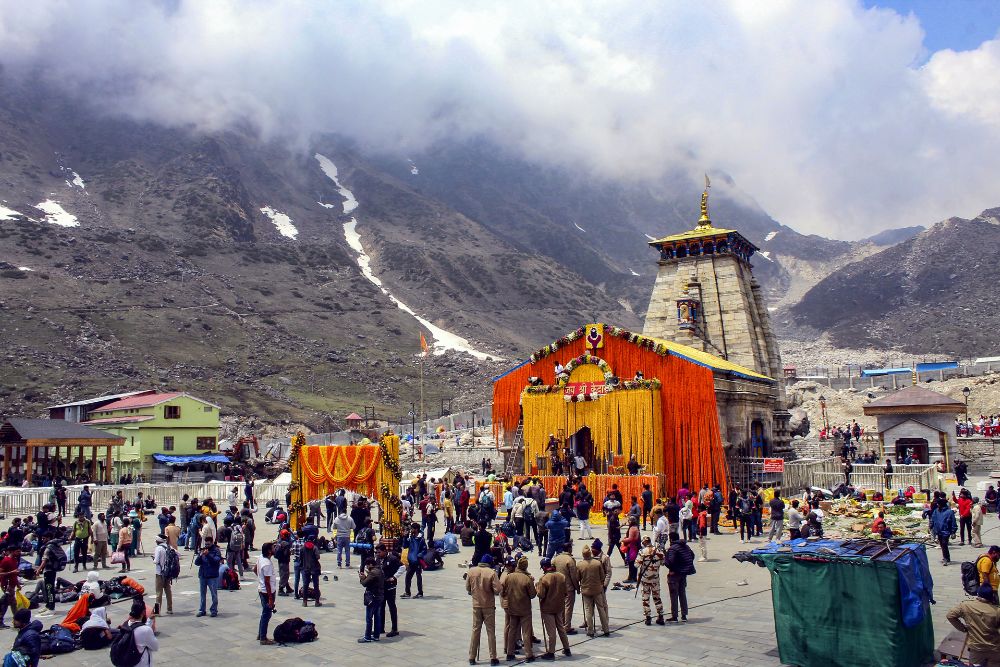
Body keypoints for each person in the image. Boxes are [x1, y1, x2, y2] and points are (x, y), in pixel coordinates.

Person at [947, 584, 1000, 666]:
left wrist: (963, 628)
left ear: (978, 594)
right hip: (994, 649)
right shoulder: (997, 611)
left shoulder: (965, 606)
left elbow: (950, 615)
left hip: (976, 649)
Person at [466, 552, 501, 664]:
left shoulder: (471, 571)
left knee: (475, 630)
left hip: (476, 605)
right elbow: (498, 590)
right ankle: (493, 657)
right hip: (488, 606)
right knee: (490, 631)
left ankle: (472, 657)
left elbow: (467, 588)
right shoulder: (491, 573)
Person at [500, 557, 536, 662]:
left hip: (512, 608)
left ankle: (510, 653)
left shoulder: (509, 577)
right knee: (525, 631)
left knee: (512, 630)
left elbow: (502, 591)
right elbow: (533, 595)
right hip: (524, 609)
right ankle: (528, 654)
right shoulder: (527, 579)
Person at [536, 557, 572, 659]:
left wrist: (537, 586)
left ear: (544, 567)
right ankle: (567, 648)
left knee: (551, 632)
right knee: (561, 628)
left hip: (548, 608)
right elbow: (566, 593)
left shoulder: (544, 578)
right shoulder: (562, 576)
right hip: (559, 606)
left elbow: (540, 595)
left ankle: (551, 652)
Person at [577, 545, 609, 637]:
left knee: (588, 610)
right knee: (601, 609)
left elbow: (577, 578)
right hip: (597, 590)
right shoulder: (597, 563)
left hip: (586, 590)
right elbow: (602, 576)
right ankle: (606, 629)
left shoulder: (580, 564)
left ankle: (590, 630)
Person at [665, 532, 695, 622]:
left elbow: (670, 562)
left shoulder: (673, 549)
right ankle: (684, 615)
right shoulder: (686, 546)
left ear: (671, 539)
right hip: (683, 574)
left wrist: (664, 558)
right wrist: (683, 566)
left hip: (675, 575)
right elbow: (692, 556)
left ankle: (674, 616)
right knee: (682, 593)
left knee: (674, 595)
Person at [634, 536, 665, 625]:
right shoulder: (659, 551)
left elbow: (636, 565)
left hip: (645, 579)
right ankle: (661, 616)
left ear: (644, 543)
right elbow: (663, 563)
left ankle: (648, 618)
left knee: (645, 598)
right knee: (657, 597)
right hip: (655, 579)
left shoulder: (642, 552)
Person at [552, 542, 579, 636]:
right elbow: (574, 576)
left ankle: (561, 624)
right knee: (568, 607)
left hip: (558, 586)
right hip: (569, 587)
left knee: (561, 607)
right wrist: (577, 587)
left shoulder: (556, 558)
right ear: (569, 549)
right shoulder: (570, 560)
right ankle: (567, 627)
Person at [120, 598, 158, 667]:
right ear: (143, 612)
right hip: (141, 663)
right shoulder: (146, 630)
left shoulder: (126, 624)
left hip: (128, 661)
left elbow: (139, 628)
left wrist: (150, 620)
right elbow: (155, 647)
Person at [195, 535, 223, 617]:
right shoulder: (203, 550)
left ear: (212, 543)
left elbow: (216, 561)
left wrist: (208, 555)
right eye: (206, 544)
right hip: (203, 575)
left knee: (214, 594)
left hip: (212, 576)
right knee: (202, 594)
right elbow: (197, 563)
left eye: (208, 544)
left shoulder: (216, 550)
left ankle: (214, 610)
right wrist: (200, 555)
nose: (207, 546)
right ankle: (202, 610)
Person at [35, 535, 65, 611]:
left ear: (49, 538)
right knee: (49, 588)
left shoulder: (48, 548)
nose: (43, 539)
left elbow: (44, 560)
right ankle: (48, 605)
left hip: (48, 571)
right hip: (52, 570)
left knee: (49, 589)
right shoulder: (54, 546)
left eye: (44, 538)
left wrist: (39, 570)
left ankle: (51, 607)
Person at [358, 557, 384, 643]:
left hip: (372, 598)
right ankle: (376, 636)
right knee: (377, 617)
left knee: (369, 618)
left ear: (370, 564)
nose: (366, 567)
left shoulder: (372, 573)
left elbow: (365, 583)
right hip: (379, 597)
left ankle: (367, 636)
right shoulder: (379, 570)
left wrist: (362, 578)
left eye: (367, 565)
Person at [255, 542, 276, 645]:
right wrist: (271, 598)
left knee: (264, 613)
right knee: (267, 614)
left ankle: (260, 634)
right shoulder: (267, 564)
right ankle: (263, 638)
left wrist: (260, 579)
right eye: (273, 548)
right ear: (269, 551)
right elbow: (267, 582)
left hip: (261, 589)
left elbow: (255, 569)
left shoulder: (260, 558)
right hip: (267, 592)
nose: (274, 549)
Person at [401, 523, 426, 598]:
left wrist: (419, 556)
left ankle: (420, 592)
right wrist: (405, 537)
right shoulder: (410, 537)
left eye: (412, 529)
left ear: (416, 529)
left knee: (418, 577)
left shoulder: (421, 539)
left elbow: (424, 550)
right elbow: (405, 546)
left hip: (417, 561)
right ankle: (407, 592)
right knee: (408, 576)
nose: (411, 530)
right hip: (411, 561)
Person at [930, 498, 958, 566]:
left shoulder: (949, 512)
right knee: (942, 545)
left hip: (946, 531)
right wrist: (931, 526)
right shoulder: (936, 511)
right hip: (938, 531)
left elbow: (953, 522)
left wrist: (953, 532)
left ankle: (945, 558)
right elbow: (933, 519)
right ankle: (946, 557)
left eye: (938, 504)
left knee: (944, 543)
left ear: (941, 504)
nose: (937, 505)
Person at [152, 536, 173, 615]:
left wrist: (153, 559)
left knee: (158, 593)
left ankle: (157, 612)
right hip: (168, 573)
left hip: (160, 573)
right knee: (168, 591)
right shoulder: (169, 547)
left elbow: (156, 561)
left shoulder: (158, 548)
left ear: (158, 541)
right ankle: (169, 608)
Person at [300, 538, 322, 607]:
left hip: (306, 568)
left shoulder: (302, 548)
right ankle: (317, 602)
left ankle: (304, 602)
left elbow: (300, 558)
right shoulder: (314, 548)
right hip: (314, 568)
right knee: (316, 585)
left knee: (305, 585)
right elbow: (318, 557)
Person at [621, 516, 641, 583]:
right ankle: (634, 577)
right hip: (635, 547)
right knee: (633, 562)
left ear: (631, 521)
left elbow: (630, 539)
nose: (628, 522)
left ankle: (631, 578)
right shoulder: (636, 527)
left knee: (631, 562)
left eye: (629, 521)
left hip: (632, 547)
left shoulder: (632, 528)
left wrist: (623, 540)